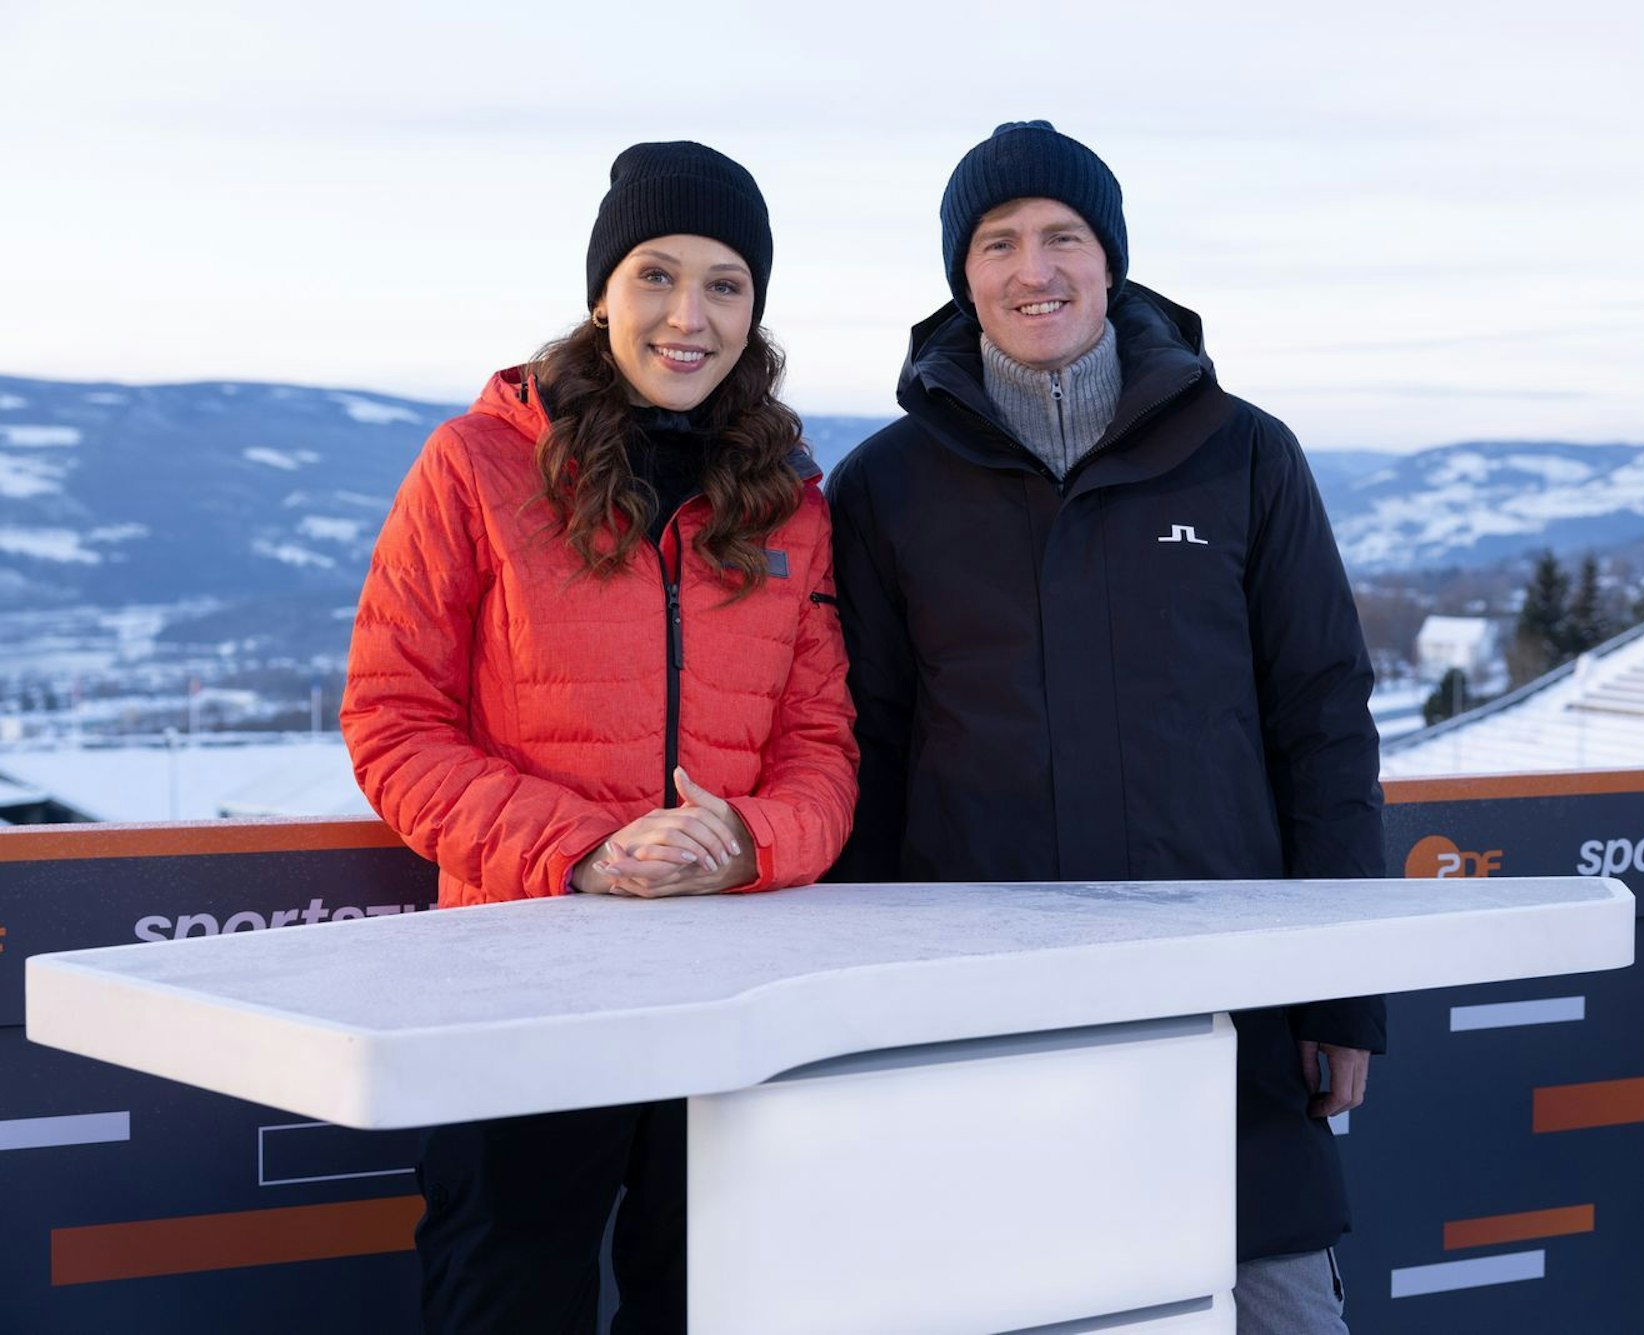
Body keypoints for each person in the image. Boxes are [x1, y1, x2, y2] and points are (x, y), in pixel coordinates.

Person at [825, 120, 1384, 1334]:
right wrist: (855, 1016)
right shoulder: (882, 488)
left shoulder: (1241, 455)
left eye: (1063, 236)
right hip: (976, 1015)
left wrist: (1344, 995)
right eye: (999, 242)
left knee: (1279, 1307)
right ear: (960, 276)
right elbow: (859, 757)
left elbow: (1323, 724)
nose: (1035, 268)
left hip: (1228, 1004)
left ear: (1111, 260)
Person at [341, 141, 858, 1334]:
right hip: (519, 983)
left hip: (732, 996)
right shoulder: (475, 466)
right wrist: (583, 850)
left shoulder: (788, 499)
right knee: (506, 1296)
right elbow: (392, 722)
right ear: (600, 294)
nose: (689, 316)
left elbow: (824, 747)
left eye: (725, 284)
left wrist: (751, 843)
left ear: (756, 310)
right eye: (656, 276)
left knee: (715, 1304)